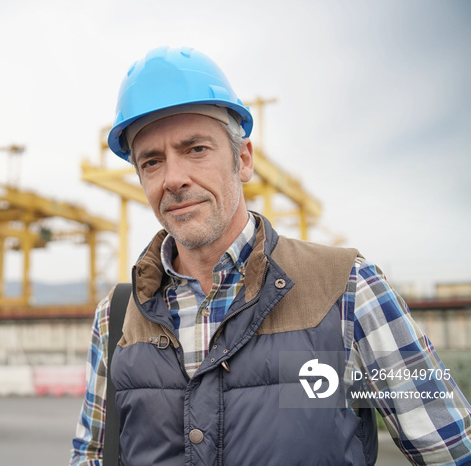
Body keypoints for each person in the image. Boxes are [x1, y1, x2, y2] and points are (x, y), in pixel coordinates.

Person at [70, 46, 471, 465]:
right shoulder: (116, 317)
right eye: (152, 161)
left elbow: (452, 452)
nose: (173, 178)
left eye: (196, 150)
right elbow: (91, 457)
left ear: (243, 160)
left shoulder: (349, 288)